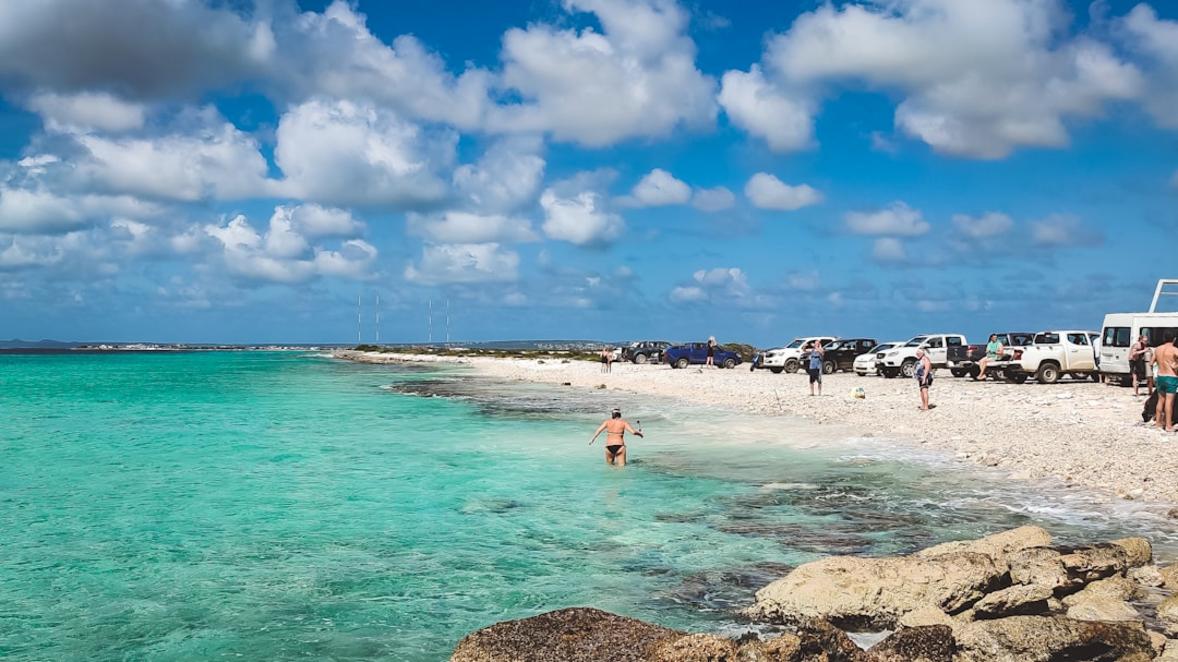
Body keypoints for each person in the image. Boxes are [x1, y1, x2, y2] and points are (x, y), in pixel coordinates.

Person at [1154, 337, 1178, 433]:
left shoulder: (1158, 349)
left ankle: (1158, 423)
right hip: (1171, 377)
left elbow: (1152, 362)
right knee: (1169, 402)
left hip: (1160, 376)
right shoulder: (1174, 350)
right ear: (1174, 339)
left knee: (1160, 400)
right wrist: (1175, 365)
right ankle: (1168, 425)